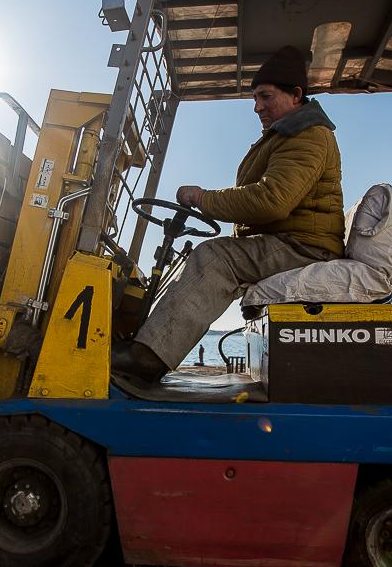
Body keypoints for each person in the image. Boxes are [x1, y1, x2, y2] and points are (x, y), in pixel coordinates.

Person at [112, 45, 345, 385]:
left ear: (296, 95)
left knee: (215, 258)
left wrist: (202, 198)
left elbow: (272, 200)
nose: (257, 107)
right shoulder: (286, 134)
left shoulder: (307, 135)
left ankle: (147, 358)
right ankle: (146, 343)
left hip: (304, 246)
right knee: (210, 255)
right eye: (255, 98)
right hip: (291, 239)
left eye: (265, 96)